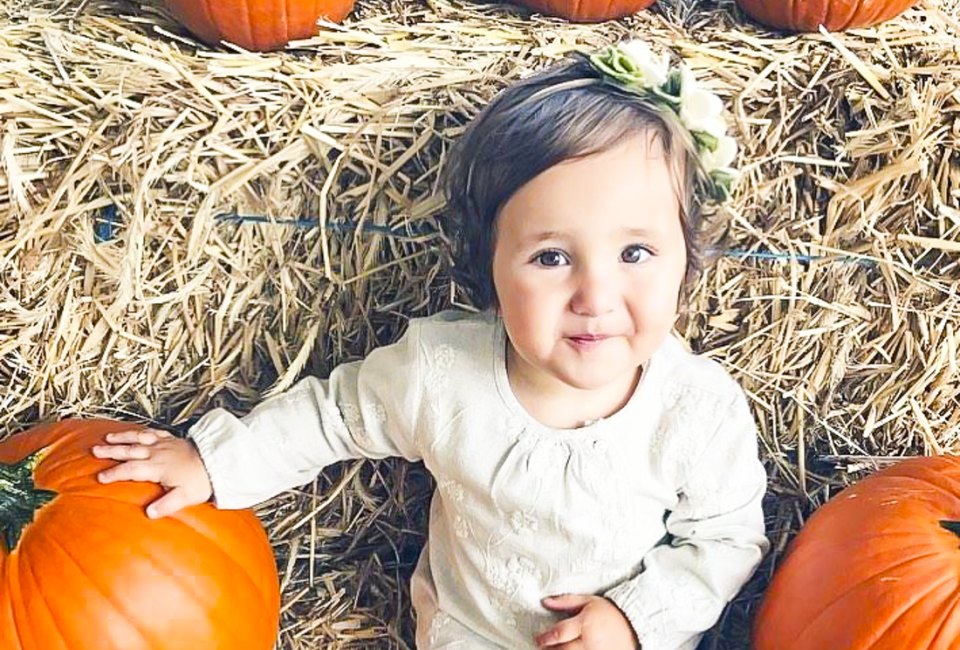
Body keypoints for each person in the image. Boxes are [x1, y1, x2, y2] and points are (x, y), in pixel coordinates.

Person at [93, 39, 768, 650]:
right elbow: (331, 416)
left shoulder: (697, 412)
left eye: (636, 252)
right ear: (490, 269)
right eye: (552, 258)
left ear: (688, 257)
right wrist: (217, 465)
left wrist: (633, 619)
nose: (596, 294)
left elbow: (726, 540)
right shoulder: (441, 376)